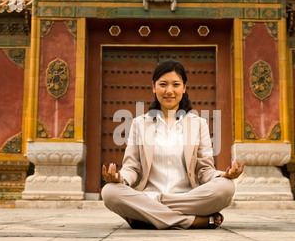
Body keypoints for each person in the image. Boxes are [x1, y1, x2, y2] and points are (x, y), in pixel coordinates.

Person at [101, 60, 245, 230]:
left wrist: (221, 176)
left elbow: (204, 170)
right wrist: (121, 179)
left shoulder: (198, 124)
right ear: (154, 87)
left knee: (226, 188)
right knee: (110, 192)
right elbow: (132, 168)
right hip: (150, 194)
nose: (169, 90)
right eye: (163, 84)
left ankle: (149, 214)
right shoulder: (140, 123)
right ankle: (192, 221)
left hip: (187, 197)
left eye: (176, 84)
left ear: (184, 88)